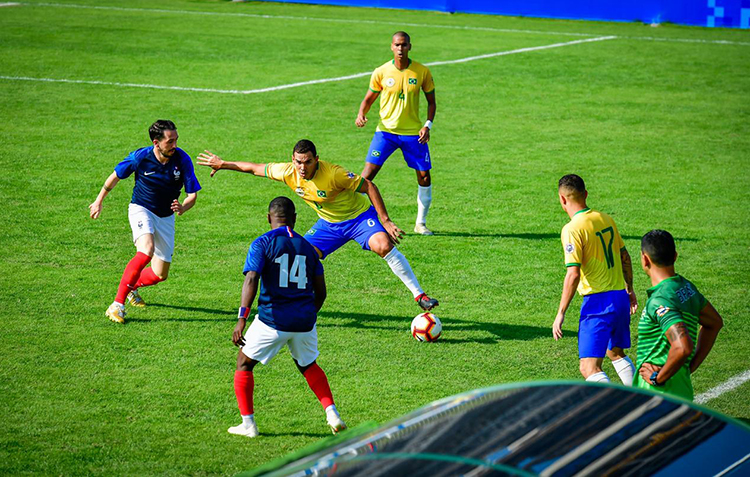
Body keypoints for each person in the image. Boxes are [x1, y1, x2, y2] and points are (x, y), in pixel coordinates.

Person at [197, 139, 439, 311]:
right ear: (292, 160)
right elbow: (254, 168)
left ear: (316, 160)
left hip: (359, 218)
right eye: (298, 162)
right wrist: (223, 164)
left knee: (383, 245)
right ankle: (296, 307)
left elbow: (369, 186)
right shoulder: (288, 172)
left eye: (308, 162)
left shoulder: (334, 174)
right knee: (300, 258)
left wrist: (385, 220)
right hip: (329, 225)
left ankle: (419, 295)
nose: (302, 167)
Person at [229, 197, 346, 437]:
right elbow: (321, 292)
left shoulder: (262, 243)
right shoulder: (308, 248)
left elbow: (252, 278)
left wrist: (242, 319)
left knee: (243, 363)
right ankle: (332, 413)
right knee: (308, 365)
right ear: (294, 219)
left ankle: (248, 425)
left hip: (272, 321)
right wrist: (307, 315)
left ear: (268, 218)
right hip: (304, 322)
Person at [89, 120, 201, 324]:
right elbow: (115, 176)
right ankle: (117, 305)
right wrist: (99, 201)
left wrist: (183, 207)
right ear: (156, 142)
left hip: (166, 216)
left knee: (160, 275)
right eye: (170, 141)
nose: (175, 145)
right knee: (146, 250)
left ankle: (132, 287)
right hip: (142, 209)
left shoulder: (182, 159)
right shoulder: (141, 157)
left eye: (176, 140)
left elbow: (192, 195)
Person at [553, 174, 638, 384]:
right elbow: (625, 257)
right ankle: (645, 398)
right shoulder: (605, 219)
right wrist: (629, 289)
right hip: (619, 297)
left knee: (589, 368)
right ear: (586, 194)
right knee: (615, 352)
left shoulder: (572, 229)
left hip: (598, 304)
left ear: (562, 199)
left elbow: (573, 274)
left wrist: (561, 313)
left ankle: (612, 405)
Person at [355, 31, 437, 236]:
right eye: (397, 45)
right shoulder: (381, 72)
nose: (401, 49)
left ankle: (420, 223)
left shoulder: (422, 72)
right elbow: (368, 99)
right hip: (386, 133)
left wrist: (427, 125)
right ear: (392, 47)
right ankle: (351, 216)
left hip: (413, 134)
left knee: (424, 176)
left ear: (410, 46)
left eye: (404, 45)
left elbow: (432, 102)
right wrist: (361, 113)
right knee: (367, 175)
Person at [634, 230, 723, 401]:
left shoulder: (660, 300)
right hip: (682, 389)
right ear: (675, 256)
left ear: (645, 259)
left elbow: (683, 347)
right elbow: (714, 323)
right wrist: (688, 367)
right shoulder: (686, 288)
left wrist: (657, 378)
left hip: (657, 397)